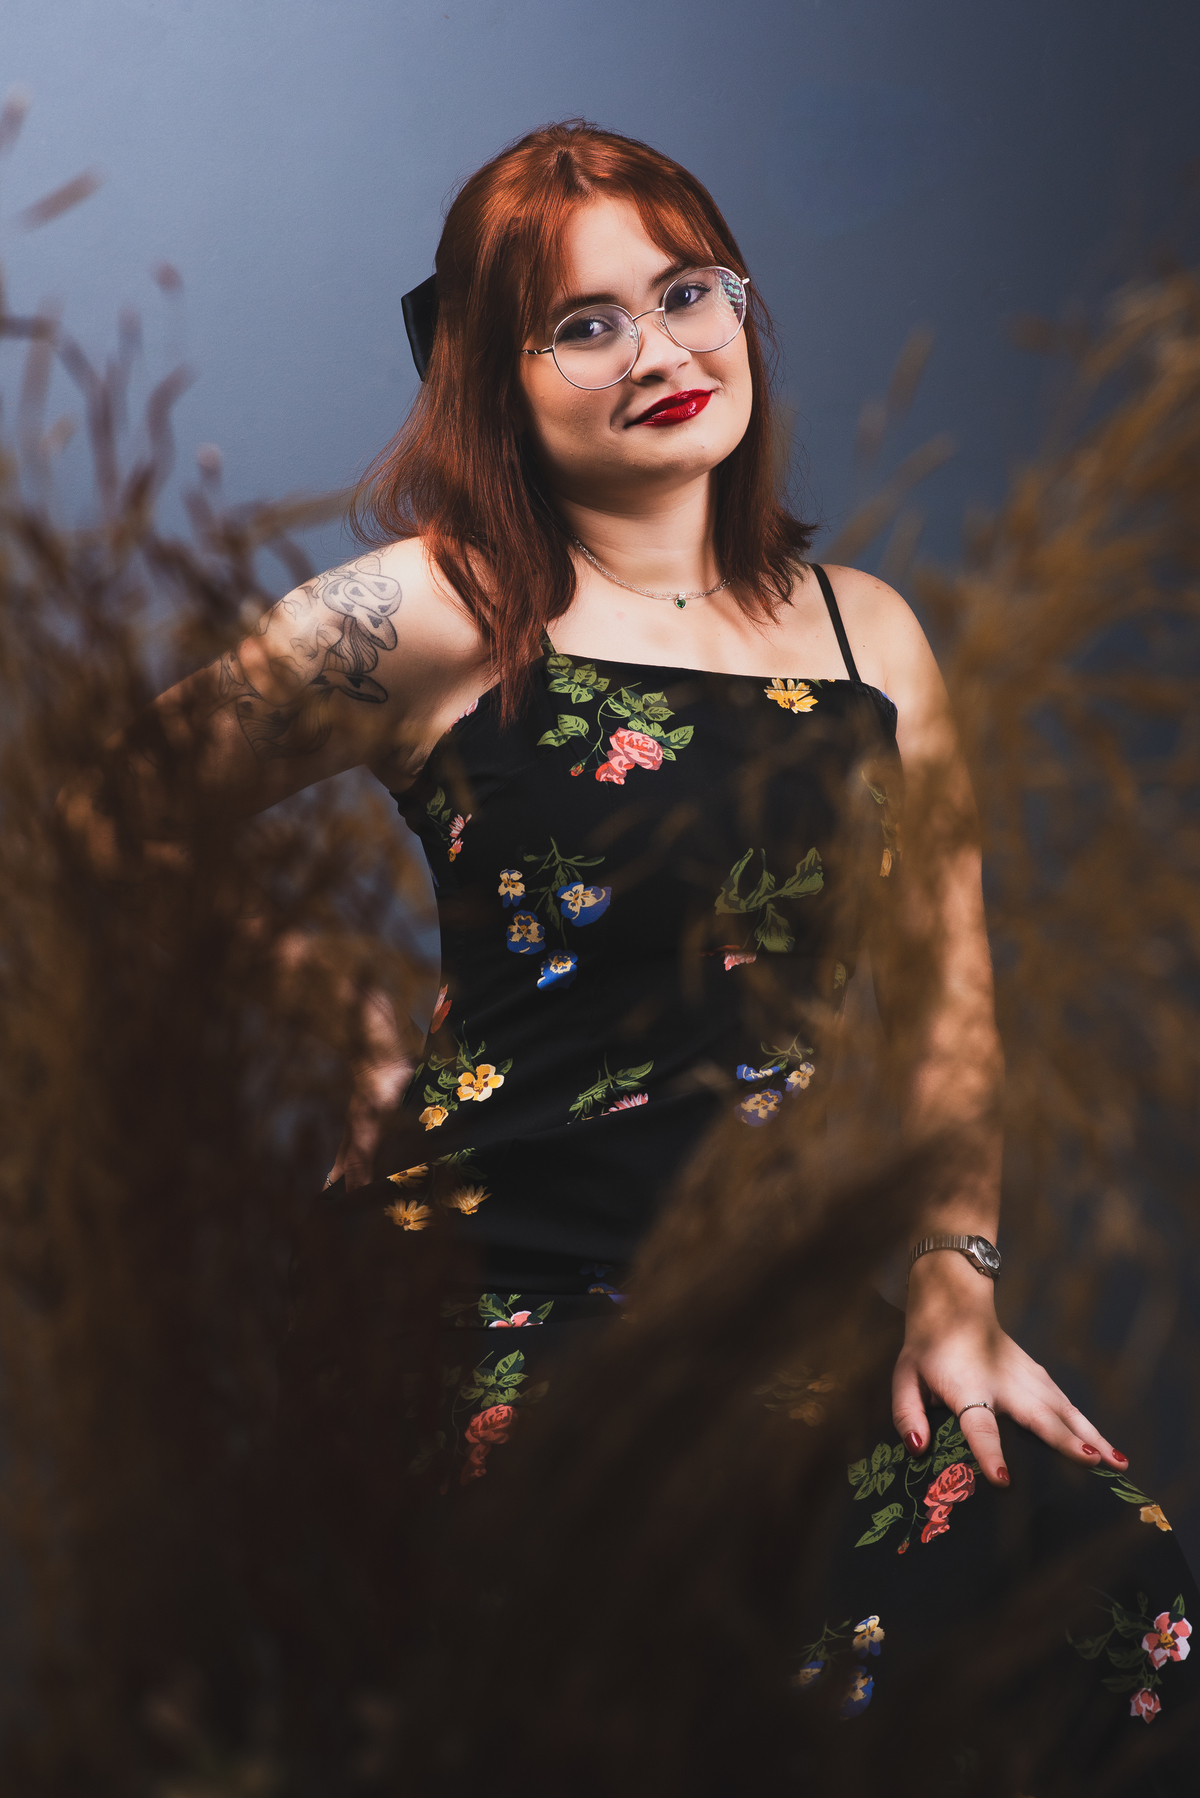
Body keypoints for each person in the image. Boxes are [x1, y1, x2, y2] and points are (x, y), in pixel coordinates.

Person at [88, 122, 1195, 1787]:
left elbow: (948, 1007)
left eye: (688, 292)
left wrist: (954, 1288)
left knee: (1098, 1573)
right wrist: (327, 995)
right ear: (493, 377)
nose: (662, 351)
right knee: (671, 1663)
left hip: (758, 1291)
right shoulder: (439, 609)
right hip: (479, 1292)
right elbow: (102, 819)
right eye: (584, 323)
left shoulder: (870, 634)